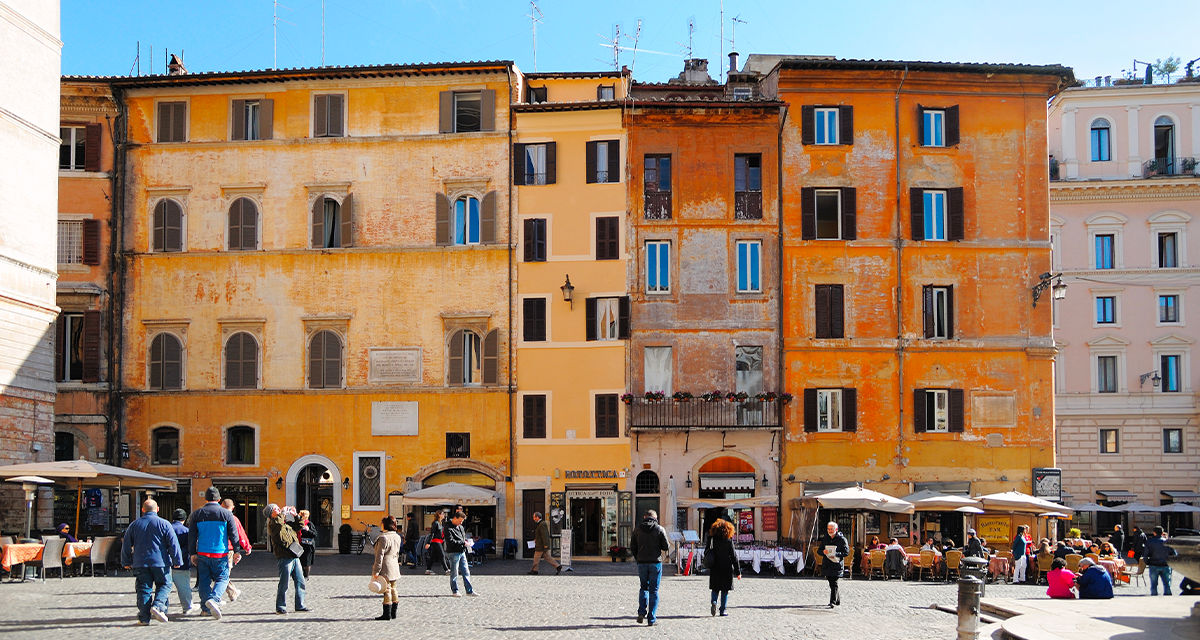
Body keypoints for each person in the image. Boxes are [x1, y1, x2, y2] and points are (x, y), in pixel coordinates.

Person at [121, 499, 182, 625]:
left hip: (140, 562)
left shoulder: (134, 525)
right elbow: (173, 544)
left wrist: (126, 561)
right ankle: (158, 606)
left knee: (143, 589)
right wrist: (177, 560)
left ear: (143, 509)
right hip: (161, 562)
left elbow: (126, 545)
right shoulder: (164, 524)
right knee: (165, 584)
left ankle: (144, 618)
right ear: (157, 509)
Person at [185, 486, 241, 620]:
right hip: (220, 553)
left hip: (203, 552)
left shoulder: (197, 514)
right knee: (223, 578)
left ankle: (205, 610)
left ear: (205, 499)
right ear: (219, 499)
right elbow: (234, 534)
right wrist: (237, 551)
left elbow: (192, 536)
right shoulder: (226, 514)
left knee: (204, 580)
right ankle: (214, 599)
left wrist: (192, 553)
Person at [265, 503, 311, 614]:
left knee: (300, 581)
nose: (278, 509)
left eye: (278, 508)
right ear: (271, 514)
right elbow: (278, 523)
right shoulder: (273, 524)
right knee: (284, 583)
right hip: (284, 557)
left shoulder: (284, 524)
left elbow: (299, 526)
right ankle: (280, 607)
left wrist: (296, 516)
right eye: (276, 509)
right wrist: (283, 513)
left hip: (294, 556)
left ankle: (300, 605)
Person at [630, 509, 669, 626]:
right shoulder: (659, 529)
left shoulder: (637, 529)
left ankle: (641, 612)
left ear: (645, 517)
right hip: (655, 562)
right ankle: (651, 618)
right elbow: (666, 546)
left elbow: (632, 546)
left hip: (642, 562)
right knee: (654, 590)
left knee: (643, 588)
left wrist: (638, 558)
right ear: (655, 518)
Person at [705, 518, 741, 617]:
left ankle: (714, 602)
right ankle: (722, 610)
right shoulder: (728, 541)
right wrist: (738, 572)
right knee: (725, 590)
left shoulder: (711, 539)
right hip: (726, 567)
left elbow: (706, 551)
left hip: (715, 566)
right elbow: (734, 556)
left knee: (715, 588)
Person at [218, 498, 252, 604]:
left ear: (221, 506)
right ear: (232, 508)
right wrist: (247, 546)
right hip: (228, 549)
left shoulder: (216, 517)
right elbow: (240, 534)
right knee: (224, 574)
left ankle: (232, 593)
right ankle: (229, 593)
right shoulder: (233, 519)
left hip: (215, 549)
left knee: (220, 574)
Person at [371, 515, 403, 620]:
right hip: (394, 565)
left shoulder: (383, 538)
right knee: (394, 588)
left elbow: (379, 556)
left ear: (385, 525)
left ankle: (387, 614)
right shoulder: (397, 536)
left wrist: (376, 571)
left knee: (387, 589)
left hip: (386, 566)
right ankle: (394, 613)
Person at [167, 509, 198, 615]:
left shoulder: (167, 528)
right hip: (182, 563)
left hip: (166, 563)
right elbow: (190, 547)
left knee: (164, 587)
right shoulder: (186, 531)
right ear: (184, 519)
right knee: (184, 586)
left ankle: (161, 607)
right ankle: (187, 606)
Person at [444, 510, 477, 596]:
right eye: (460, 521)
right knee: (454, 572)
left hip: (462, 551)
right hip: (453, 552)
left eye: (462, 521)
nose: (461, 523)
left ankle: (469, 591)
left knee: (466, 571)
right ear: (455, 518)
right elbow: (450, 541)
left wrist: (467, 542)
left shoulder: (461, 527)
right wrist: (463, 543)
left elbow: (463, 538)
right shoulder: (448, 527)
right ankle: (455, 590)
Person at [818, 521, 850, 608]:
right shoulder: (825, 538)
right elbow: (819, 551)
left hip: (837, 564)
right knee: (831, 582)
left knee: (834, 582)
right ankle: (837, 600)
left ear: (836, 529)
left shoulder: (842, 539)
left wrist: (836, 554)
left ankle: (832, 601)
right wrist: (823, 552)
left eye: (831, 529)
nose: (830, 531)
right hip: (827, 564)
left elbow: (846, 552)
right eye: (828, 529)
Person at [1143, 525, 1175, 596]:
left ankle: (1154, 598)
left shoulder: (1149, 542)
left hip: (1154, 565)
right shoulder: (1167, 542)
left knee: (1154, 585)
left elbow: (1145, 555)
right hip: (1166, 565)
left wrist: (1147, 562)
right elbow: (1174, 554)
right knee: (1167, 584)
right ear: (1162, 533)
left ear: (1154, 533)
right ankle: (1168, 598)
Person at [425, 510, 449, 575]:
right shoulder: (435, 523)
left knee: (432, 556)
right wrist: (428, 543)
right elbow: (432, 533)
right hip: (436, 541)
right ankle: (446, 570)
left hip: (439, 541)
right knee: (442, 555)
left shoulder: (441, 523)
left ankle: (428, 569)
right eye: (443, 514)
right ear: (439, 515)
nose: (444, 515)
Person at [296, 509, 318, 578]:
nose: (301, 516)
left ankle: (306, 576)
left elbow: (314, 534)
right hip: (300, 545)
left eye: (302, 515)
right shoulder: (299, 524)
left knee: (307, 561)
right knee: (300, 561)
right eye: (300, 515)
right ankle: (301, 575)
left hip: (308, 546)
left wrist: (308, 530)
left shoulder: (309, 524)